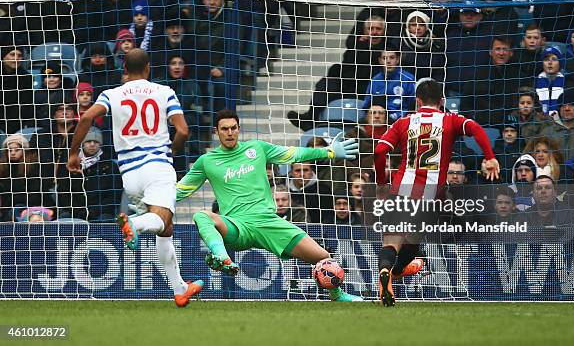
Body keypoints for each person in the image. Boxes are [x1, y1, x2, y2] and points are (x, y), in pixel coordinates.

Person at [175, 108, 363, 302]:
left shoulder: (257, 148)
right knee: (202, 215)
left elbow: (292, 154)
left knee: (323, 257)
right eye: (224, 129)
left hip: (268, 222)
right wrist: (151, 206)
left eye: (233, 128)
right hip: (237, 226)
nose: (229, 133)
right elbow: (180, 190)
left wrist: (329, 151)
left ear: (239, 129)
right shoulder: (206, 161)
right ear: (216, 131)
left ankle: (337, 295)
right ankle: (222, 257)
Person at [66, 48, 203, 308]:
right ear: (149, 68)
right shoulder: (164, 92)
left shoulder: (111, 94)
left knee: (167, 229)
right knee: (161, 221)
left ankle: (180, 289)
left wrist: (73, 153)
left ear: (124, 70)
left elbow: (85, 117)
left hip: (129, 173)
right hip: (157, 166)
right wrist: (172, 150)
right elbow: (183, 130)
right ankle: (134, 223)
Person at [373, 78, 500, 306]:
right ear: (442, 101)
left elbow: (380, 150)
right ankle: (396, 271)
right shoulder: (449, 120)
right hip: (429, 199)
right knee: (412, 245)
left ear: (417, 101)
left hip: (400, 192)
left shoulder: (403, 122)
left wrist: (382, 182)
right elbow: (475, 128)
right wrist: (489, 157)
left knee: (391, 242)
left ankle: (385, 271)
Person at [79, 126, 122, 222]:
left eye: (96, 142)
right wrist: (79, 211)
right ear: (82, 143)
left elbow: (115, 195)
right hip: (76, 212)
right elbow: (64, 191)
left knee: (104, 221)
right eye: (88, 141)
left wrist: (93, 212)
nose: (92, 144)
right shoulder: (73, 164)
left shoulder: (110, 166)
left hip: (102, 213)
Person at [362, 49, 416, 123]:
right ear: (380, 60)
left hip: (402, 121)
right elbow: (366, 106)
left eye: (392, 57)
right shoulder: (374, 81)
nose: (388, 61)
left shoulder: (408, 79)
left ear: (397, 59)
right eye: (384, 58)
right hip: (379, 121)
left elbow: (413, 106)